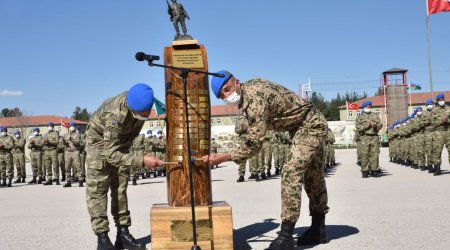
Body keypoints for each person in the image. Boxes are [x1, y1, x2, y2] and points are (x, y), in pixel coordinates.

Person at [204, 71, 329, 249]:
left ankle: (286, 235)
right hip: (302, 125)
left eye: (227, 89)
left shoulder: (254, 99)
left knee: (290, 172)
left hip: (310, 125)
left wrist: (223, 157)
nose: (226, 96)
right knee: (313, 176)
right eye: (222, 95)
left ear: (237, 82)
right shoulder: (250, 92)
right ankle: (319, 229)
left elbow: (254, 144)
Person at [85, 83, 161, 250]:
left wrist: (129, 158)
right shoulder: (115, 114)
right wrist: (141, 160)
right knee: (98, 189)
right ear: (132, 108)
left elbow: (128, 137)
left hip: (121, 143)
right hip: (98, 144)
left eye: (147, 112)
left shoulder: (141, 105)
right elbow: (111, 154)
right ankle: (102, 239)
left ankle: (123, 234)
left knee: (120, 187)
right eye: (143, 113)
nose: (146, 115)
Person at [355, 101, 382, 178]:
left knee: (375, 155)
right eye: (367, 107)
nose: (368, 108)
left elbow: (380, 126)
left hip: (374, 137)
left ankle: (374, 170)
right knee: (364, 155)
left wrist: (375, 125)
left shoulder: (375, 116)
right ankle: (365, 171)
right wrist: (368, 125)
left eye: (369, 107)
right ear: (363, 107)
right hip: (364, 137)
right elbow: (358, 127)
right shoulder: (360, 117)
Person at [431, 93, 450, 175]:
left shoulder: (448, 108)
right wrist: (441, 121)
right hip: (438, 132)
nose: (442, 101)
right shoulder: (434, 110)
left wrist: (447, 120)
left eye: (443, 99)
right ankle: (438, 169)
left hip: (448, 131)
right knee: (437, 151)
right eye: (440, 99)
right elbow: (432, 122)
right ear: (437, 101)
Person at [63, 122, 82, 188]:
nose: (72, 127)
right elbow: (63, 144)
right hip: (68, 152)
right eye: (71, 126)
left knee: (78, 166)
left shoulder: (77, 134)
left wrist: (71, 139)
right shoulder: (66, 134)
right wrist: (63, 141)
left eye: (73, 126)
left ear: (74, 127)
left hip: (75, 151)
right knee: (67, 167)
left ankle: (80, 181)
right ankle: (68, 182)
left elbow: (77, 142)